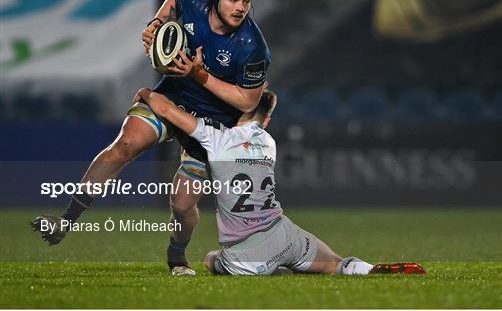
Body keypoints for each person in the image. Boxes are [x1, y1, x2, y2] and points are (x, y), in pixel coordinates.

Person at [32, 0, 271, 276]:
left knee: (183, 204)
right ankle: (64, 221)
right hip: (171, 96)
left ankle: (177, 256)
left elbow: (247, 100)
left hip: (212, 124)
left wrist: (200, 75)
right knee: (126, 144)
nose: (241, 7)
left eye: (246, 1)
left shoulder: (252, 46)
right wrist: (157, 22)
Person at [133, 87, 427, 276]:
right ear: (267, 121)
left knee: (212, 260)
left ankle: (275, 268)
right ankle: (367, 270)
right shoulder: (270, 143)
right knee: (335, 265)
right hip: (285, 231)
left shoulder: (218, 137)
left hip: (249, 249)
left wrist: (147, 92)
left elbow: (167, 109)